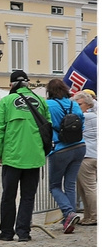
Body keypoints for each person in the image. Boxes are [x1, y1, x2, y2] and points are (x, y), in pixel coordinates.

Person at [0, 70, 49, 242]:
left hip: (12, 156)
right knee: (28, 196)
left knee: (8, 195)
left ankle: (7, 232)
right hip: (34, 156)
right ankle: (23, 232)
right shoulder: (40, 101)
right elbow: (49, 126)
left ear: (11, 85)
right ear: (27, 84)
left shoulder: (6, 102)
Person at [44, 78, 86, 233]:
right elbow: (81, 122)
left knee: (54, 185)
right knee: (70, 184)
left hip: (60, 148)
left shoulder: (48, 105)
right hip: (79, 146)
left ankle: (68, 212)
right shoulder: (74, 104)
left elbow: (45, 125)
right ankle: (69, 220)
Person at [72, 91, 96, 227]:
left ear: (87, 104)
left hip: (88, 155)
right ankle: (88, 216)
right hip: (91, 154)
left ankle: (95, 215)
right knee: (83, 188)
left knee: (89, 188)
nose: (77, 106)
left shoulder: (86, 116)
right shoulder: (94, 115)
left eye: (79, 104)